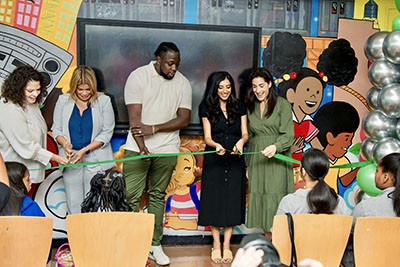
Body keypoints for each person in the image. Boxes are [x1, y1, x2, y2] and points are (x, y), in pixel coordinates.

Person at [123, 42, 192, 265]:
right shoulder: (138, 77)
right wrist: (143, 146)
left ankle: (154, 244)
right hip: (137, 147)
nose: (174, 68)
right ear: (159, 60)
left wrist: (154, 129)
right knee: (131, 197)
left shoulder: (183, 83)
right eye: (170, 64)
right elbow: (135, 119)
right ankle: (132, 245)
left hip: (168, 147)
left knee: (157, 196)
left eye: (177, 64)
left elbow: (184, 119)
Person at [198, 71, 248, 264]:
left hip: (235, 159)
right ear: (215, 88)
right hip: (215, 159)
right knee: (214, 200)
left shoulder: (239, 105)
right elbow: (207, 137)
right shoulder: (206, 107)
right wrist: (215, 146)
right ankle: (216, 244)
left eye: (228, 87)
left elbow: (245, 134)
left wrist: (241, 143)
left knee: (232, 201)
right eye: (221, 87)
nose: (225, 91)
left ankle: (227, 245)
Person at [52, 65, 115, 214]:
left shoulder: (104, 101)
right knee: (73, 202)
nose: (85, 93)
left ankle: (92, 236)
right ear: (74, 87)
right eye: (80, 89)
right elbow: (57, 129)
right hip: (71, 158)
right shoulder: (63, 100)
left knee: (95, 201)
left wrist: (85, 150)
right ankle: (75, 236)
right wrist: (65, 144)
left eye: (88, 89)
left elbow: (107, 132)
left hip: (95, 157)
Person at [245, 67, 294, 236]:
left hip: (277, 159)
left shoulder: (283, 105)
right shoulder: (250, 107)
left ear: (270, 84)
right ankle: (269, 245)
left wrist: (276, 147)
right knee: (261, 202)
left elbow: (289, 135)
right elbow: (249, 139)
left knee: (275, 199)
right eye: (254, 86)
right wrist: (247, 166)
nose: (257, 90)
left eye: (261, 86)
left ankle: (280, 247)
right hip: (257, 160)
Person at [0, 65, 69, 183]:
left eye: (38, 89)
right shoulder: (9, 108)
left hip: (29, 173)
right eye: (30, 91)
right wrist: (56, 158)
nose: (35, 94)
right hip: (14, 175)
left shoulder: (31, 103)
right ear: (18, 89)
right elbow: (26, 145)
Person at [276, 148, 350, 215]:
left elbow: (279, 229)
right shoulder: (339, 202)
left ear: (303, 171)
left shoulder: (289, 201)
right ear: (326, 172)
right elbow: (349, 227)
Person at [352, 153, 400, 220]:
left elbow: (348, 228)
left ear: (385, 177)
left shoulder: (366, 207)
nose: (375, 174)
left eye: (377, 171)